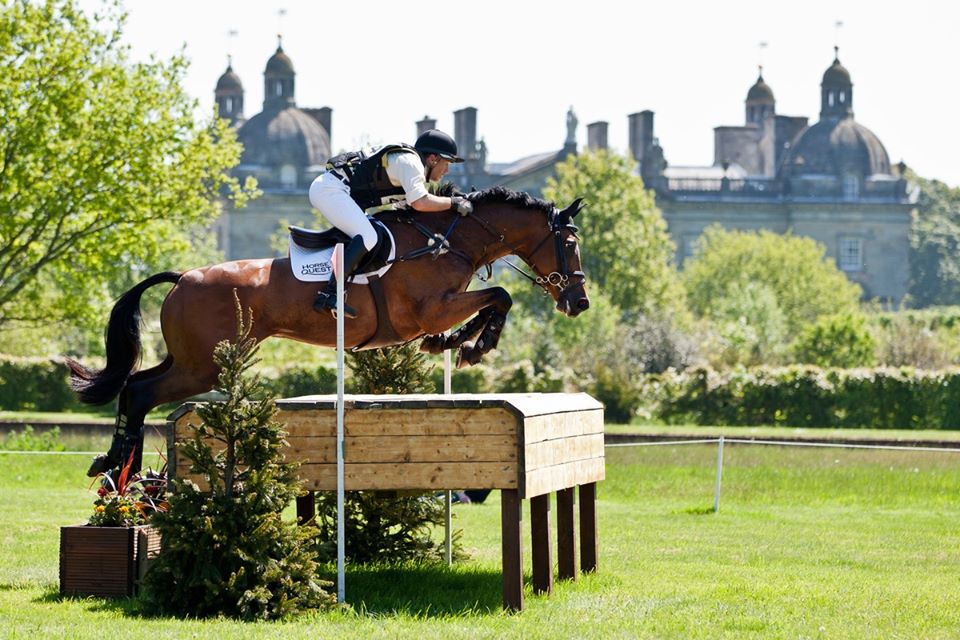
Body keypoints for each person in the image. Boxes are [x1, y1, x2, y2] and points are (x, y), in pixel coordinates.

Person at [307, 129, 474, 318]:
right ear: (433, 159)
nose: (447, 170)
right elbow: (420, 203)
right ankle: (329, 294)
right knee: (368, 236)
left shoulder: (411, 168)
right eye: (447, 162)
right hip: (330, 190)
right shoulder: (411, 164)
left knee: (375, 233)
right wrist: (453, 203)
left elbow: (410, 211)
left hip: (337, 191)